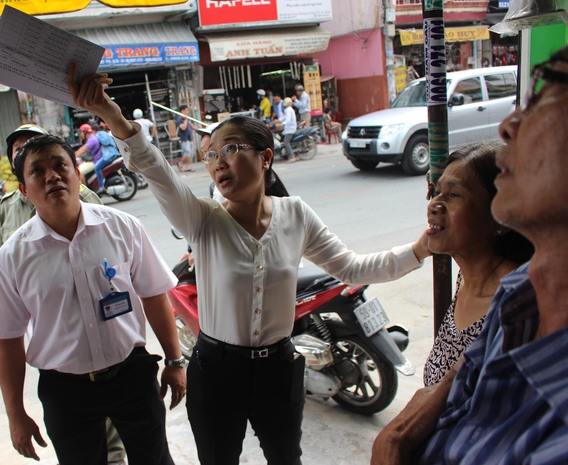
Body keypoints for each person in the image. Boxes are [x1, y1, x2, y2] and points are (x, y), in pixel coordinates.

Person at [68, 65, 431, 465]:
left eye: (231, 149)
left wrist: (420, 249)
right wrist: (112, 114)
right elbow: (156, 170)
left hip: (278, 368)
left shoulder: (296, 215)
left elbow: (352, 268)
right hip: (216, 371)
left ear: (266, 158)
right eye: (210, 155)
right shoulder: (201, 219)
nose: (217, 162)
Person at [372, 46, 568, 464]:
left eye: (543, 106)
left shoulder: (511, 297)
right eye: (435, 192)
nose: (510, 126)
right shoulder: (517, 298)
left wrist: (394, 441)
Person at [0, 135, 185, 465]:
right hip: (65, 392)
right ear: (23, 190)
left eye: (60, 165)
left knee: (155, 459)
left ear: (78, 174)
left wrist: (174, 362)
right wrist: (15, 414)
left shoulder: (122, 228)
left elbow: (154, 296)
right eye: (38, 171)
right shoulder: (10, 258)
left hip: (131, 376)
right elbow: (7, 342)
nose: (52, 176)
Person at [0, 125, 124, 465]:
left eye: (56, 163)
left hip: (111, 353)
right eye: (20, 150)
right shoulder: (8, 213)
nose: (49, 174)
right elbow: (8, 322)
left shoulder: (87, 202)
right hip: (63, 366)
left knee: (115, 447)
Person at [423, 140, 533, 387]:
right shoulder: (466, 278)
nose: (434, 205)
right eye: (436, 192)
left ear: (501, 217)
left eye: (454, 195)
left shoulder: (515, 306)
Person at [94, 122, 122, 194]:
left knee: (97, 167)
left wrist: (97, 136)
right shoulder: (102, 133)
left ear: (94, 130)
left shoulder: (100, 133)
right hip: (110, 154)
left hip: (110, 154)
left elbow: (106, 142)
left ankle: (101, 186)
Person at [176, 104, 195, 172]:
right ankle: (183, 164)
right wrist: (185, 119)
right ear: (182, 111)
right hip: (185, 138)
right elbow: (183, 127)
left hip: (190, 138)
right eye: (186, 110)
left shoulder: (188, 119)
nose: (187, 112)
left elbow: (192, 127)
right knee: (188, 152)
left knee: (190, 153)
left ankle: (185, 165)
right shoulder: (179, 119)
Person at [280, 97, 298, 163]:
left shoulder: (288, 110)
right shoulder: (289, 109)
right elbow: (283, 117)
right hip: (289, 129)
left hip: (290, 129)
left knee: (286, 142)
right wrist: (277, 121)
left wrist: (282, 124)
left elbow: (288, 120)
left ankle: (292, 157)